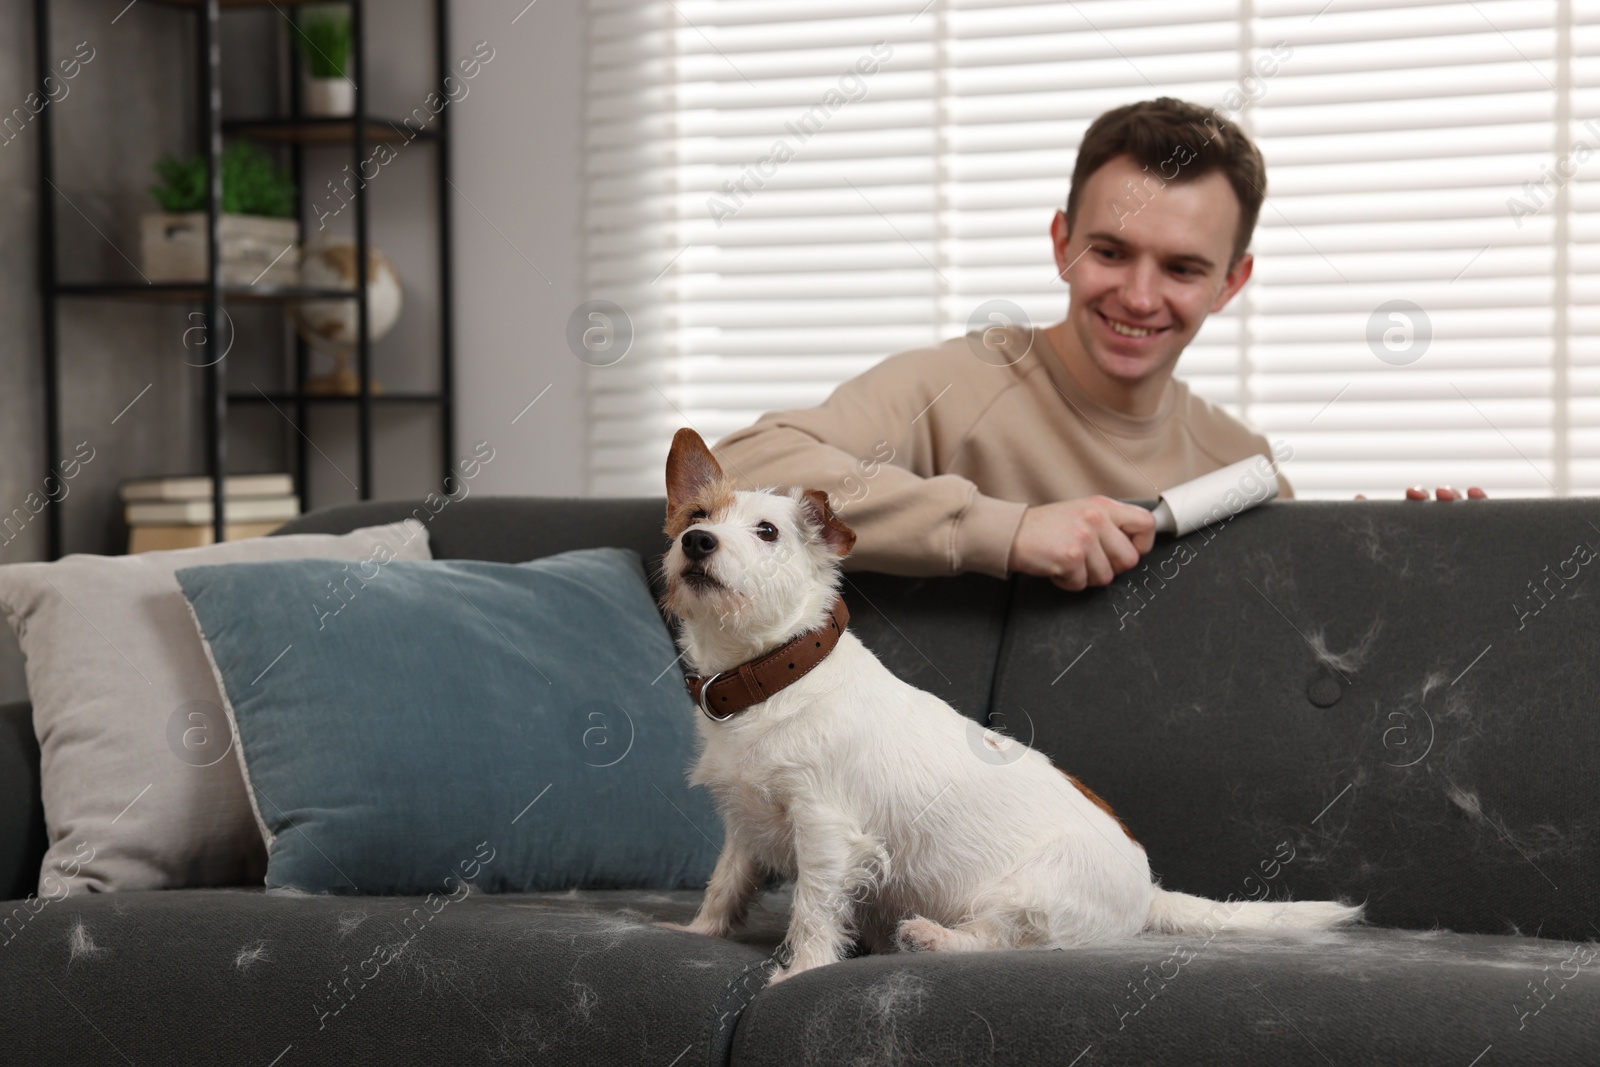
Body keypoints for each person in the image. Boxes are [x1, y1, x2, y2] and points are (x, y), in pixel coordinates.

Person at [712, 97, 1480, 592]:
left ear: (1231, 283)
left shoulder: (1241, 462)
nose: (1139, 297)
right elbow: (741, 467)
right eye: (1110, 253)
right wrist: (1003, 530)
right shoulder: (949, 386)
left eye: (1182, 268)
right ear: (1062, 244)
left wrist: (1386, 563)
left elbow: (1282, 659)